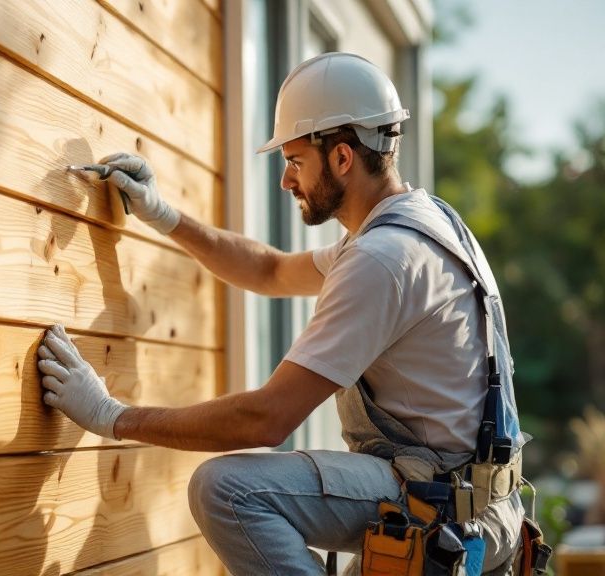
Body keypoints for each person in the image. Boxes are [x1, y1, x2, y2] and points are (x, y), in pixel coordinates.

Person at [37, 52, 527, 575]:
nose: (285, 181)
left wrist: (114, 417)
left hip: (445, 511)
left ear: (342, 158)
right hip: (480, 506)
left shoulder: (381, 260)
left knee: (226, 489)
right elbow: (268, 271)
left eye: (295, 161)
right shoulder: (424, 225)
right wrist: (163, 214)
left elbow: (266, 419)